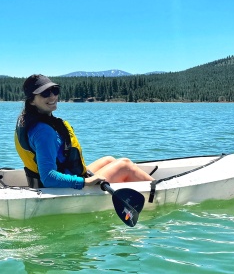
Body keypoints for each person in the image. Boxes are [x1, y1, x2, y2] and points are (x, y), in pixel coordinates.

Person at [15, 74, 154, 189]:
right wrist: (85, 182)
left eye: (55, 90)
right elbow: (48, 177)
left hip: (57, 178)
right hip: (57, 189)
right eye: (45, 93)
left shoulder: (28, 121)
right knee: (125, 165)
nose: (52, 97)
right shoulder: (43, 131)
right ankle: (158, 190)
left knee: (109, 160)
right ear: (31, 101)